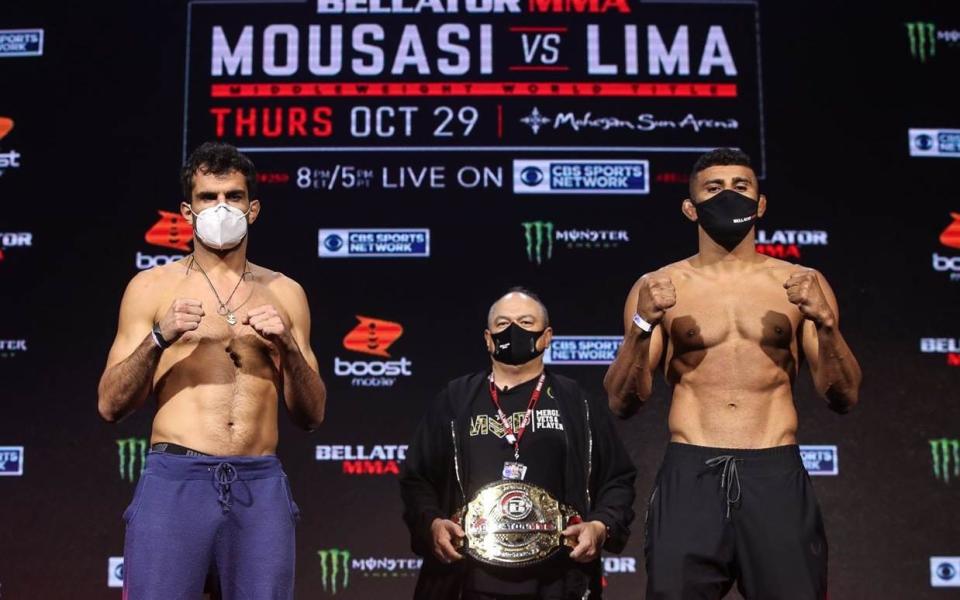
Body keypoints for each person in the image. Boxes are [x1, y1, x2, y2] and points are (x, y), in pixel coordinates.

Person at [604, 148, 862, 599]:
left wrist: (826, 324)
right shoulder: (660, 287)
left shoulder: (800, 284)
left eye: (741, 187)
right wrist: (642, 327)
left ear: (760, 204)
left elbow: (844, 395)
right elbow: (622, 401)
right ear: (691, 208)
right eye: (714, 188)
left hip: (775, 472)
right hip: (691, 473)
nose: (729, 196)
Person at [97, 141, 326, 599]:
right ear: (187, 210)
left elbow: (312, 414)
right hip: (176, 479)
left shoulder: (285, 293)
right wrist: (159, 338)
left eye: (234, 197)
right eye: (208, 198)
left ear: (253, 208)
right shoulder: (151, 288)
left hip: (258, 483)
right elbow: (110, 403)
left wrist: (286, 346)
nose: (222, 208)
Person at [401, 287, 637, 600]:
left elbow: (618, 479)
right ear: (487, 339)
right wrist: (431, 523)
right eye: (502, 324)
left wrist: (601, 526)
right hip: (467, 581)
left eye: (526, 322)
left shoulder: (577, 402)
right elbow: (417, 478)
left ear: (547, 336)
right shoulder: (454, 401)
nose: (513, 331)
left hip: (558, 582)